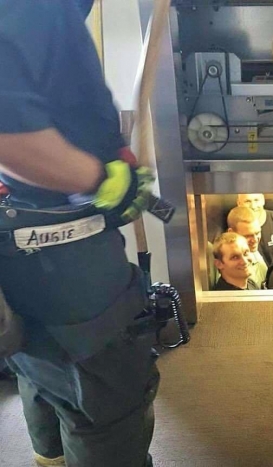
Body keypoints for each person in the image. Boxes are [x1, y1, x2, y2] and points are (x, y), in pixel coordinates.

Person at [0, 2, 159, 466]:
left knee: (44, 376)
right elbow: (10, 139)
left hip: (24, 239)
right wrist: (104, 180)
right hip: (64, 255)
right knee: (105, 402)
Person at [236, 193, 273, 267]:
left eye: (256, 200)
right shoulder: (234, 227)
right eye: (247, 201)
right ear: (239, 203)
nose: (253, 206)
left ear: (263, 200)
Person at [227, 206, 267, 288]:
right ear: (231, 233)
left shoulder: (254, 252)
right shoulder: (227, 264)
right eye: (248, 236)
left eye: (257, 233)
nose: (255, 240)